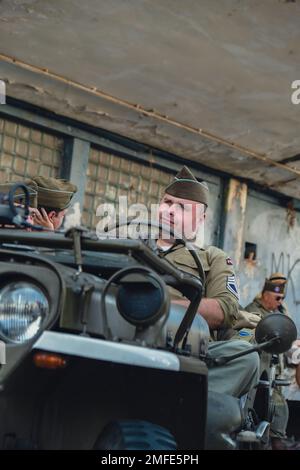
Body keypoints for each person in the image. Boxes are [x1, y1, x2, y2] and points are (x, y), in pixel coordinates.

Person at [157, 166, 260, 399]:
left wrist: (158, 306)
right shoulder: (129, 245)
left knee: (245, 356)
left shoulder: (213, 258)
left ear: (201, 219)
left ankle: (188, 404)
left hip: (185, 346)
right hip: (121, 332)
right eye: (167, 202)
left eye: (182, 207)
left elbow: (225, 309)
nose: (170, 211)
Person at [245, 273, 296, 450]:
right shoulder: (253, 312)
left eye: (282, 298)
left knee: (278, 425)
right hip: (258, 380)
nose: (280, 301)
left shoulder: (278, 313)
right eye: (277, 297)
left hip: (273, 380)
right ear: (266, 294)